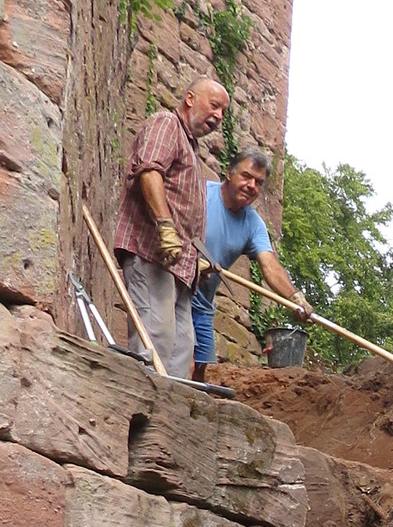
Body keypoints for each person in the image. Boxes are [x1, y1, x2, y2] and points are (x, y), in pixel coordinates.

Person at [112, 77, 227, 381]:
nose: (218, 116)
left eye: (223, 112)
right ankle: (139, 404)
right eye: (214, 106)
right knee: (155, 339)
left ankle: (163, 409)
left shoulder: (191, 148)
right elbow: (149, 171)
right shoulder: (167, 124)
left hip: (179, 269)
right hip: (151, 254)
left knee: (181, 350)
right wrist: (165, 227)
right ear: (190, 98)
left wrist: (196, 258)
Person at [191, 142, 307, 376]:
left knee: (205, 375)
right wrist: (189, 259)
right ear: (229, 173)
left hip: (202, 307)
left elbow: (270, 265)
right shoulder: (200, 193)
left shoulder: (253, 224)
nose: (252, 185)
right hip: (173, 293)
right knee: (177, 364)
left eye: (259, 182)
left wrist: (294, 297)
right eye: (246, 176)